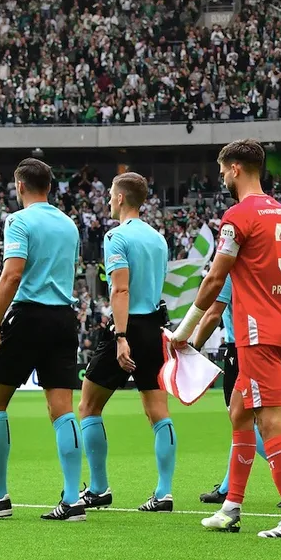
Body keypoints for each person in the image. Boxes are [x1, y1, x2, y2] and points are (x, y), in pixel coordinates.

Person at [171, 139, 281, 538]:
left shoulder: (237, 216)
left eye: (221, 170)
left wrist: (183, 332)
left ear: (234, 169)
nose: (220, 177)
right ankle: (231, 507)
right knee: (239, 411)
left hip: (256, 332)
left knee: (268, 419)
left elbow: (215, 278)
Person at [0, 158, 84, 521]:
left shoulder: (17, 221)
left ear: (19, 185)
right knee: (62, 410)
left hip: (28, 316)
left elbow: (12, 275)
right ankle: (73, 498)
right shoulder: (69, 224)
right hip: (64, 319)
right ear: (49, 186)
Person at [77, 173, 176, 513]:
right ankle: (164, 493)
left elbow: (120, 289)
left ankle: (100, 488)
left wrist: (120, 337)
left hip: (127, 327)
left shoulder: (116, 237)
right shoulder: (158, 239)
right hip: (154, 328)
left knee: (88, 406)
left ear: (120, 198)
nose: (107, 199)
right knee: (158, 413)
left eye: (109, 194)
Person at [194, 273, 281, 507]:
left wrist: (193, 345)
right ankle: (228, 488)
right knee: (242, 419)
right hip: (270, 345)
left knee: (247, 420)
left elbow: (213, 313)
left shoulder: (231, 271)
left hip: (241, 348)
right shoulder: (261, 270)